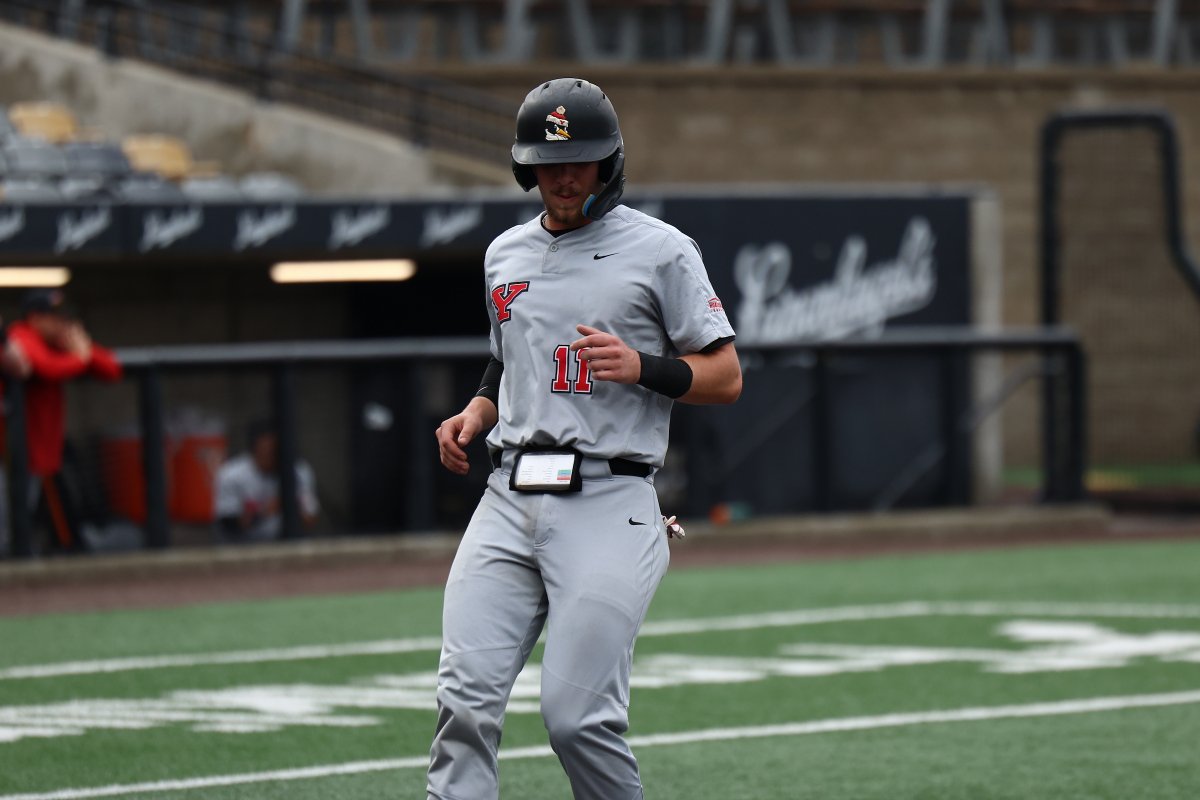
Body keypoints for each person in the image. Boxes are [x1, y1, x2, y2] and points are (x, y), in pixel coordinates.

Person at [427, 78, 742, 800]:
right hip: (508, 496)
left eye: (580, 161)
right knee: (463, 702)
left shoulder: (661, 250)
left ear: (609, 164)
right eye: (548, 163)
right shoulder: (504, 253)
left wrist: (644, 367)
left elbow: (726, 376)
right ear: (526, 168)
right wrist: (477, 410)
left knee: (576, 721)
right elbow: (509, 357)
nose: (564, 176)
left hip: (609, 495)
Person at [3, 288, 123, 553]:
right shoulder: (20, 336)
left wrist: (83, 349)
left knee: (29, 514)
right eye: (54, 316)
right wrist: (80, 356)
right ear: (35, 318)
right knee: (12, 517)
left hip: (41, 449)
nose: (62, 323)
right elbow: (46, 368)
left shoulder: (58, 344)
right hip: (14, 449)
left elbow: (112, 369)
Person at [213, 418, 319, 541]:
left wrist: (290, 505)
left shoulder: (298, 471)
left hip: (285, 545)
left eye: (276, 450)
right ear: (254, 448)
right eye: (267, 449)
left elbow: (311, 521)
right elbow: (227, 525)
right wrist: (264, 512)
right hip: (243, 547)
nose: (272, 454)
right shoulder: (232, 474)